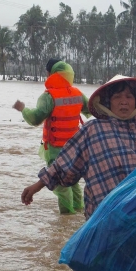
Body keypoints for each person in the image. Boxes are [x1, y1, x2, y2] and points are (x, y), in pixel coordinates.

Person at [21, 76, 136, 271]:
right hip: (101, 214)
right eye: (117, 97)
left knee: (135, 270)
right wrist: (37, 186)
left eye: (129, 96)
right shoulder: (93, 130)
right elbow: (64, 163)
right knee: (100, 269)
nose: (124, 102)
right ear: (107, 102)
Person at [13, 61, 89, 214]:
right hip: (76, 148)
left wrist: (23, 109)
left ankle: (66, 217)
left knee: (61, 186)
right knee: (74, 183)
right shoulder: (78, 94)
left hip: (56, 149)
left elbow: (35, 119)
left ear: (50, 74)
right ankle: (79, 214)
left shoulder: (48, 96)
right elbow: (91, 109)